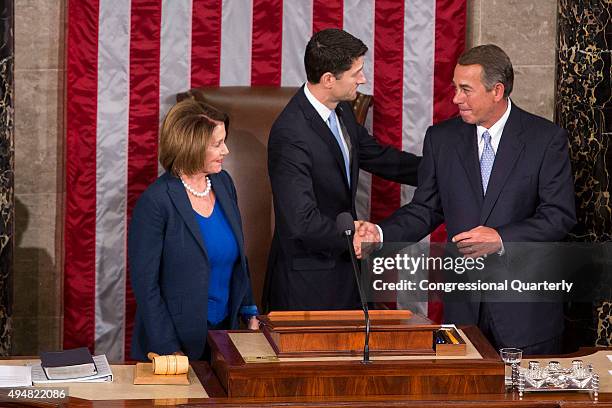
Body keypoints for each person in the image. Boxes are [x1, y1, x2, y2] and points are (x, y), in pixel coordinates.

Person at [355, 44, 576, 354]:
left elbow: (559, 216)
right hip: (463, 311)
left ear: (497, 91)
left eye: (466, 89)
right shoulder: (441, 139)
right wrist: (380, 234)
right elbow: (425, 209)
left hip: (525, 313)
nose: (456, 97)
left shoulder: (545, 139)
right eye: (455, 88)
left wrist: (501, 238)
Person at [265, 28, 421, 311]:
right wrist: (355, 236)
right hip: (309, 283)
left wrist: (440, 171)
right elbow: (301, 222)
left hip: (345, 271)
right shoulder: (290, 134)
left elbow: (378, 156)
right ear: (328, 80)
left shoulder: (341, 109)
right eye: (356, 73)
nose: (363, 79)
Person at [129, 98, 259, 361]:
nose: (226, 151)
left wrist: (249, 311)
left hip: (225, 335)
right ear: (191, 145)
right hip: (176, 342)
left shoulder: (223, 184)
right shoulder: (156, 201)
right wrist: (169, 348)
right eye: (217, 144)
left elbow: (238, 258)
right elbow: (146, 286)